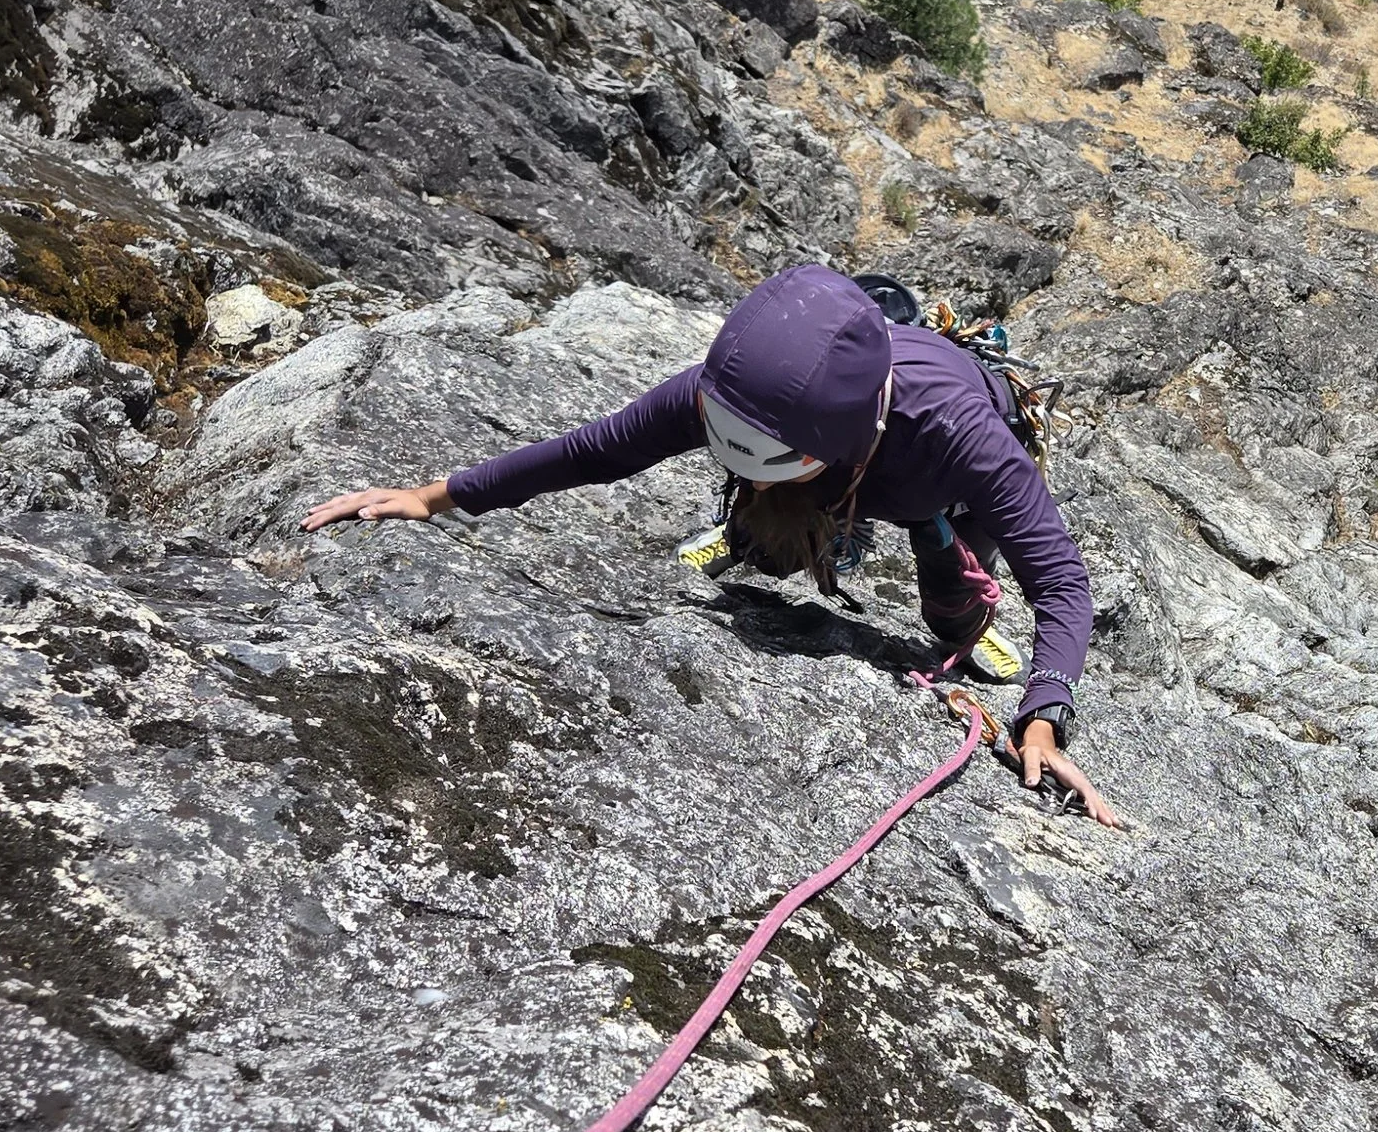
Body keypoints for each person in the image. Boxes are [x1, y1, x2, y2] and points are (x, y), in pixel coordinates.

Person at [304, 264, 1122, 823]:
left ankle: (934, 544)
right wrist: (436, 495)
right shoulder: (738, 392)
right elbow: (598, 449)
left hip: (935, 486)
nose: (748, 471)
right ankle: (790, 529)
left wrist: (1044, 715)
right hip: (841, 464)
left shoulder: (957, 430)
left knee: (951, 620)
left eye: (764, 464)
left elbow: (1060, 582)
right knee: (765, 541)